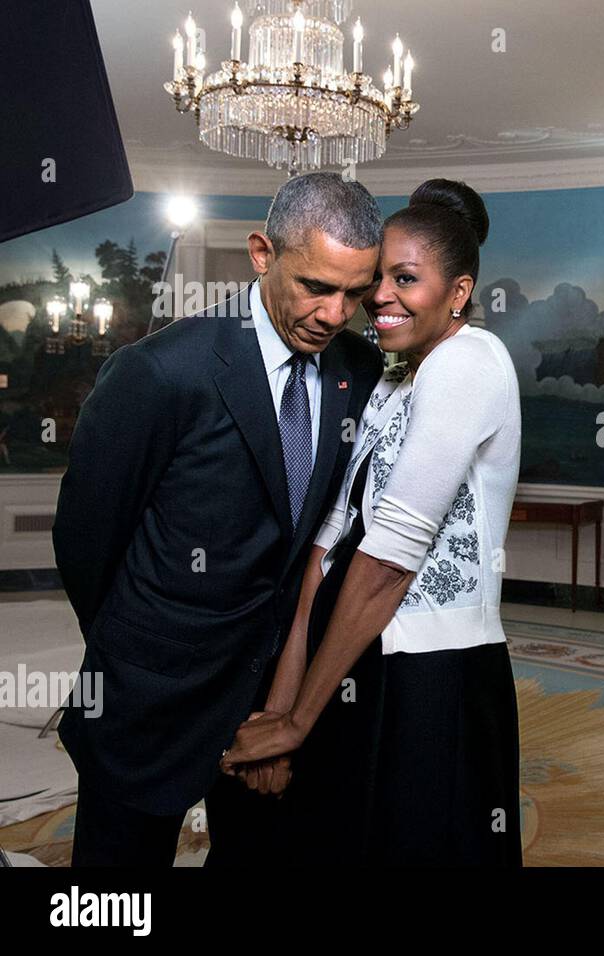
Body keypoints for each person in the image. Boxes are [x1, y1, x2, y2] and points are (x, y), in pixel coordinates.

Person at [52, 172, 386, 866]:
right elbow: (87, 541)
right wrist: (142, 650)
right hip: (148, 699)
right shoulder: (160, 372)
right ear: (263, 253)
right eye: (316, 287)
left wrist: (286, 703)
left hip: (271, 706)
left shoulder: (359, 368)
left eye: (355, 293)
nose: (334, 314)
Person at [221, 178, 524, 867]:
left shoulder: (470, 362)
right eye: (377, 278)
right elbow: (322, 557)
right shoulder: (393, 380)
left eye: (406, 279)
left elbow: (390, 558)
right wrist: (284, 709)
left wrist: (297, 721)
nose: (379, 296)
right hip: (353, 656)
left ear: (458, 292)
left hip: (432, 675)